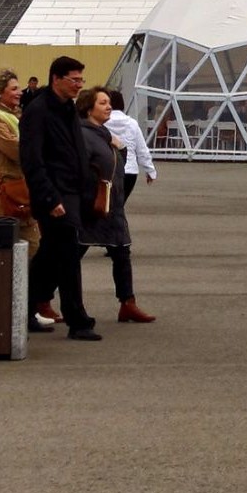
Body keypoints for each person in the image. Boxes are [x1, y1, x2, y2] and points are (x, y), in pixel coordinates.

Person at [20, 53, 102, 340]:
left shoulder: (68, 108)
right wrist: (48, 198)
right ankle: (77, 319)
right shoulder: (38, 111)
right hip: (54, 195)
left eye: (81, 79)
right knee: (67, 253)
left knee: (49, 255)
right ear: (56, 78)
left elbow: (76, 150)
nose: (79, 85)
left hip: (73, 192)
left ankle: (21, 308)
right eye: (74, 79)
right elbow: (32, 160)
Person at [0, 69, 47, 328]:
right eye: (14, 89)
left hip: (21, 189)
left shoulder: (14, 116)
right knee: (4, 253)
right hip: (3, 193)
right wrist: (43, 144)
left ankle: (25, 308)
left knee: (32, 248)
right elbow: (18, 150)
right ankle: (10, 311)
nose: (19, 93)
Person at [75, 88, 153, 322]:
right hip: (92, 204)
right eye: (103, 103)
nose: (109, 107)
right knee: (72, 252)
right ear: (89, 108)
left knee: (121, 252)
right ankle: (42, 298)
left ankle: (128, 303)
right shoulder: (83, 134)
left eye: (109, 103)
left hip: (112, 203)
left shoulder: (103, 132)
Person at [105, 88, 159, 206]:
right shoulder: (132, 123)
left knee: (107, 205)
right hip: (130, 171)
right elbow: (141, 149)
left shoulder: (102, 122)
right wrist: (150, 170)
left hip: (110, 169)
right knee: (120, 205)